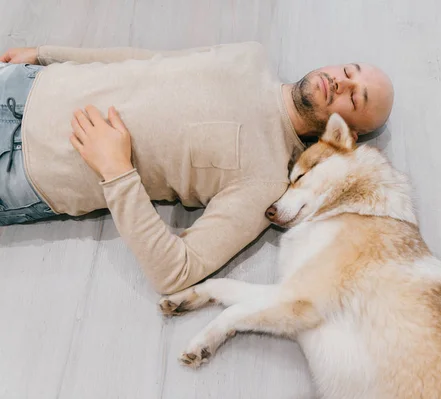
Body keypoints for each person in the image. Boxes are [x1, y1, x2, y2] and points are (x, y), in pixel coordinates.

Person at [0, 42, 394, 294]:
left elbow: (175, 271)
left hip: (25, 168)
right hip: (27, 84)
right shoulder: (250, 56)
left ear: (350, 134)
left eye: (356, 97)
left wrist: (117, 171)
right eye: (349, 70)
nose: (341, 82)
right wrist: (47, 54)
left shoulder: (266, 180)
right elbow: (148, 62)